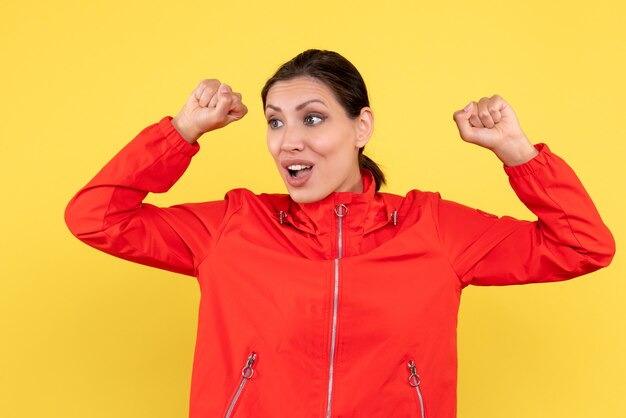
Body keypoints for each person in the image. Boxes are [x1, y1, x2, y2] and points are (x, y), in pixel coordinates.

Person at [64, 49, 615, 418]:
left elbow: (583, 246)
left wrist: (517, 152)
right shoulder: (232, 227)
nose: (288, 141)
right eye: (275, 121)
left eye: (312, 118)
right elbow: (94, 216)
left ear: (362, 127)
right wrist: (181, 132)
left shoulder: (434, 230)